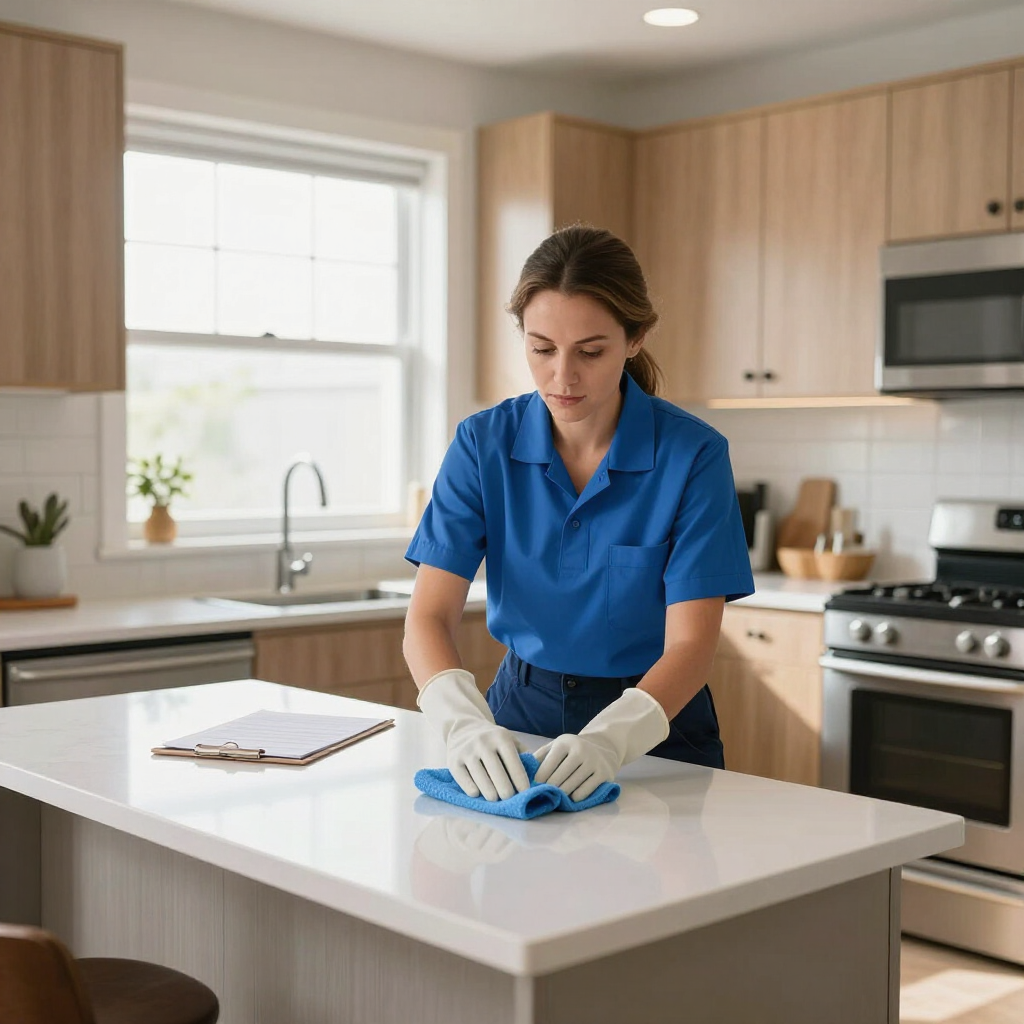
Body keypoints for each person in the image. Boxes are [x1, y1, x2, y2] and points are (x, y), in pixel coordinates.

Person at [403, 225, 755, 803]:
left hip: (654, 725)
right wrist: (461, 721)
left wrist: (611, 740)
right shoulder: (482, 444)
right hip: (518, 710)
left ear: (635, 338)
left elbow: (691, 645)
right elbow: (428, 617)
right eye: (541, 349)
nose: (562, 377)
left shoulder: (693, 454)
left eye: (590, 352)